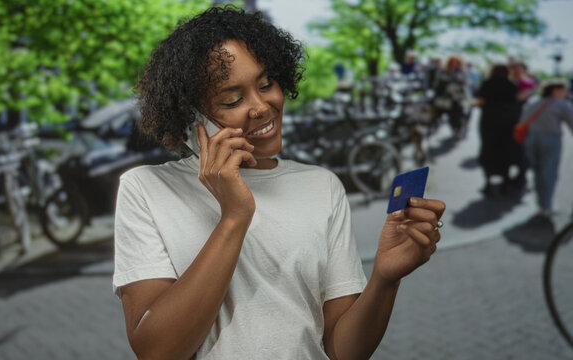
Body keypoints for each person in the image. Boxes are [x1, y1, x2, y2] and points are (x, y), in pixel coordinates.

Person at [113, 6, 445, 360]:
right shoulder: (146, 189)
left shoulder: (322, 187)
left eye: (266, 83)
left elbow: (344, 351)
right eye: (232, 99)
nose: (261, 107)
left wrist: (384, 277)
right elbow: (157, 351)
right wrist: (234, 217)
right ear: (191, 117)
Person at [522, 80, 573, 217]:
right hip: (551, 139)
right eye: (564, 90)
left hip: (531, 138)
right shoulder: (561, 104)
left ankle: (541, 203)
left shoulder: (533, 102)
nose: (566, 93)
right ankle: (547, 205)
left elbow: (523, 120)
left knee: (537, 171)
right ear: (555, 90)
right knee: (549, 172)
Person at [475, 64, 520, 196]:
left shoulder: (487, 83)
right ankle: (505, 181)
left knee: (488, 150)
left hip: (489, 121)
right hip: (507, 122)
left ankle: (488, 182)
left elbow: (481, 100)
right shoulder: (512, 84)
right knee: (506, 150)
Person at [432, 56, 470, 139]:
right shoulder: (443, 71)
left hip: (457, 99)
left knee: (457, 116)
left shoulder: (462, 72)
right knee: (440, 114)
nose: (454, 64)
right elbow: (437, 84)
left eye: (456, 62)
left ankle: (458, 129)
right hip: (444, 98)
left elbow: (466, 83)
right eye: (452, 62)